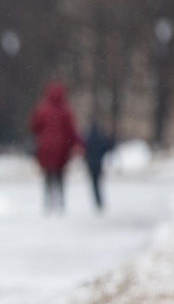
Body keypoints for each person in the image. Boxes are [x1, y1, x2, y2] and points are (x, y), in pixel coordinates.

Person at [28, 80, 83, 213]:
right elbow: (71, 130)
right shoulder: (65, 110)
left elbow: (33, 126)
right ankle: (60, 202)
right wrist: (76, 144)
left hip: (45, 148)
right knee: (59, 176)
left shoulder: (42, 108)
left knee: (48, 175)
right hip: (61, 149)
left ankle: (48, 202)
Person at [83, 120, 116, 211]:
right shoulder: (101, 138)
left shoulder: (88, 138)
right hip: (98, 163)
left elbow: (84, 150)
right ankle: (99, 201)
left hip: (90, 163)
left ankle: (97, 201)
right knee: (98, 183)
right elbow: (107, 147)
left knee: (94, 183)